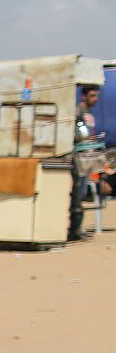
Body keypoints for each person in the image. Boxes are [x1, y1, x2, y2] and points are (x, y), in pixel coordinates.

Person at [70, 86, 101, 241]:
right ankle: (74, 230)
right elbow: (74, 130)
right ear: (84, 96)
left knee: (82, 193)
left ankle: (78, 228)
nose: (95, 98)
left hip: (87, 159)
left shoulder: (88, 112)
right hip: (79, 158)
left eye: (96, 95)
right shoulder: (78, 110)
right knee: (78, 193)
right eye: (92, 95)